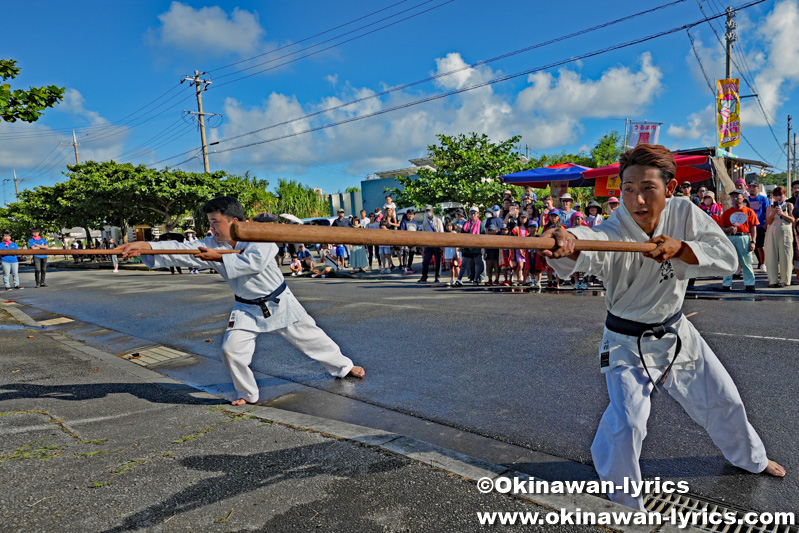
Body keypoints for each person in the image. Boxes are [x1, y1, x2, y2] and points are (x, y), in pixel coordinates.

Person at [542, 144, 785, 512]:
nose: (636, 199)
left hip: (676, 334)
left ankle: (750, 457)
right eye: (627, 188)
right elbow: (592, 243)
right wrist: (568, 242)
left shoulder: (685, 213)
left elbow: (726, 256)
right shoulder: (614, 228)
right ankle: (627, 505)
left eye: (647, 188)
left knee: (724, 398)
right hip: (626, 341)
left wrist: (682, 248)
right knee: (629, 423)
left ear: (669, 189)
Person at [120, 197, 364, 405]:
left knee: (312, 338)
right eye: (210, 223)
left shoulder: (260, 236)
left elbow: (253, 264)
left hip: (279, 301)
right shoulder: (211, 245)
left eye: (216, 222)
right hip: (245, 308)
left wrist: (219, 257)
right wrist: (146, 246)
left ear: (234, 222)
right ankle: (247, 394)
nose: (212, 228)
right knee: (231, 350)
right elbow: (181, 249)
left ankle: (343, 367)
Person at [719, 189, 758, 292]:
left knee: (747, 261)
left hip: (744, 237)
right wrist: (729, 229)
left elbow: (753, 228)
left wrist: (753, 241)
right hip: (730, 237)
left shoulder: (749, 211)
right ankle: (726, 283)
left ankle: (750, 283)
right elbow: (721, 227)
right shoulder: (727, 213)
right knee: (728, 261)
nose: (735, 199)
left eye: (737, 196)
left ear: (743, 198)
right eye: (733, 197)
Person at [764, 186, 795, 287]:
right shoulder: (769, 207)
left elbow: (792, 220)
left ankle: (784, 280)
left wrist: (782, 213)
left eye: (780, 195)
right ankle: (772, 280)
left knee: (785, 255)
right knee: (771, 256)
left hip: (785, 232)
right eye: (776, 195)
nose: (778, 198)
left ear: (784, 195)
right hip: (772, 232)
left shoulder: (789, 205)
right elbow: (768, 222)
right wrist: (773, 213)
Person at [455, 206, 483, 286]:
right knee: (463, 264)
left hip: (476, 247)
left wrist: (482, 248)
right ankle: (459, 279)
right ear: (469, 214)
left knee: (478, 264)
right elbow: (463, 235)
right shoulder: (466, 223)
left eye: (474, 213)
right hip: (467, 247)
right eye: (471, 213)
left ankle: (476, 279)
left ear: (478, 214)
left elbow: (483, 235)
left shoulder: (480, 224)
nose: (473, 214)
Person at [746, 181, 769, 271]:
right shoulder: (746, 199)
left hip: (760, 225)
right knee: (751, 246)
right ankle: (758, 262)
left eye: (754, 187)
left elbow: (767, 211)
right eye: (750, 187)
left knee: (760, 246)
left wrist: (766, 224)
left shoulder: (763, 199)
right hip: (748, 226)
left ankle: (763, 263)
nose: (752, 188)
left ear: (758, 188)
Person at [418, 205, 443, 283]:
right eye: (426, 211)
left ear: (432, 211)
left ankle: (437, 277)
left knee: (437, 260)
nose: (428, 212)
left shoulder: (438, 220)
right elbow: (423, 233)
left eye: (429, 210)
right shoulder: (425, 222)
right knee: (426, 261)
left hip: (436, 243)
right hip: (428, 243)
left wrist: (441, 245)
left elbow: (441, 232)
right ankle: (424, 276)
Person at [398, 208, 419, 274]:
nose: (410, 216)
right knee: (405, 253)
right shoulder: (404, 221)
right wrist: (404, 242)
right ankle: (404, 267)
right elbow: (402, 232)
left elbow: (418, 231)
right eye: (409, 214)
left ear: (414, 215)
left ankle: (409, 266)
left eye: (412, 214)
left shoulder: (415, 222)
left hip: (413, 241)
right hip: (406, 241)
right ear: (407, 214)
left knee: (412, 253)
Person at [443, 222, 461, 286]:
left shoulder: (455, 233)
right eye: (447, 226)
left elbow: (457, 243)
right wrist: (444, 251)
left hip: (454, 251)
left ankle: (459, 279)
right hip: (448, 251)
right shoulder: (445, 234)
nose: (448, 227)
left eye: (450, 226)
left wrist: (456, 252)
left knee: (456, 266)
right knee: (450, 267)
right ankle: (452, 279)